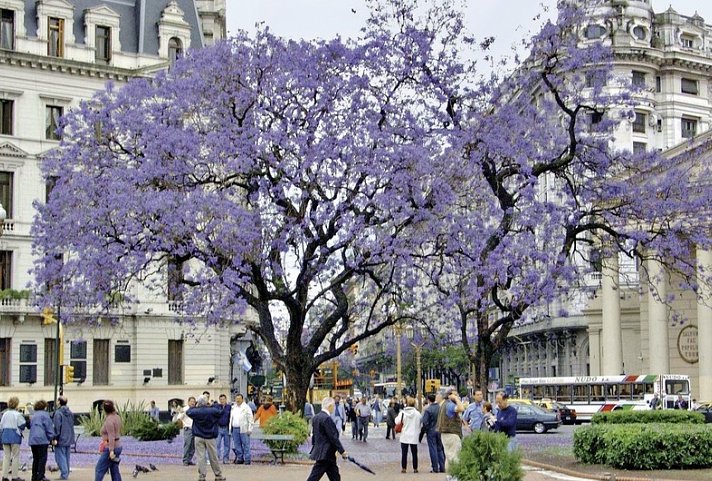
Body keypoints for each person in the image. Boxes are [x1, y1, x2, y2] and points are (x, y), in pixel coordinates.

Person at [306, 397, 348, 481]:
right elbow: (333, 437)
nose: (334, 408)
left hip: (325, 453)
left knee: (335, 477)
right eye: (333, 406)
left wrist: (314, 447)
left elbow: (315, 435)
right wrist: (342, 451)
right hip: (326, 453)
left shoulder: (316, 417)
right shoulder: (327, 419)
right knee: (314, 477)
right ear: (330, 406)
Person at [186, 395, 226, 481]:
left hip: (198, 436)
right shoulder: (212, 411)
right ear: (206, 402)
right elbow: (221, 412)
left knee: (201, 457)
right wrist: (213, 405)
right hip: (210, 436)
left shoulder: (195, 411)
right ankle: (218, 475)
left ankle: (202, 476)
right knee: (213, 457)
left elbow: (188, 412)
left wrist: (195, 406)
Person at [436, 389, 464, 472]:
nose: (457, 396)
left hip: (445, 434)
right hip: (452, 433)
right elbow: (461, 408)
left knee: (448, 457)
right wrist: (456, 399)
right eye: (455, 395)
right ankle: (454, 476)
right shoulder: (450, 405)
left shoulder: (444, 404)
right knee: (455, 457)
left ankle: (449, 476)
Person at [1, 396, 27, 481]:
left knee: (6, 456)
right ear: (16, 404)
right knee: (15, 456)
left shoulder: (4, 414)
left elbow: (1, 425)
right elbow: (22, 425)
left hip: (5, 436)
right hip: (15, 436)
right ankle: (14, 476)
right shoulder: (18, 414)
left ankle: (4, 476)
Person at [95, 400, 122, 481]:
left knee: (99, 469)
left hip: (111, 447)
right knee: (114, 470)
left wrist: (111, 450)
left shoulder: (109, 420)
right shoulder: (117, 417)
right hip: (118, 445)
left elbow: (111, 436)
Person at [29, 399, 55, 481]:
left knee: (35, 459)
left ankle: (34, 476)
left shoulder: (33, 415)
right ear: (44, 407)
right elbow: (48, 427)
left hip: (33, 440)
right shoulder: (45, 415)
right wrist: (52, 438)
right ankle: (41, 476)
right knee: (42, 458)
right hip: (42, 439)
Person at [395, 397, 422, 473]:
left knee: (404, 453)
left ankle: (404, 468)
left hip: (405, 435)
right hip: (414, 435)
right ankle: (415, 468)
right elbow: (421, 423)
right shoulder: (417, 414)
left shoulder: (402, 413)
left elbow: (397, 422)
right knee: (414, 453)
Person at [421, 394, 445, 473]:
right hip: (439, 430)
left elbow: (425, 422)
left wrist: (426, 429)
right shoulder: (440, 408)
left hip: (431, 430)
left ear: (428, 400)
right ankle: (442, 467)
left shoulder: (428, 410)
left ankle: (435, 467)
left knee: (432, 449)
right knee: (440, 448)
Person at [53, 396, 75, 480]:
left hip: (61, 438)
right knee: (66, 457)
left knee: (60, 457)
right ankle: (66, 473)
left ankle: (64, 474)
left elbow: (57, 427)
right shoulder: (70, 413)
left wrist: (55, 438)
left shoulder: (58, 413)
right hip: (69, 437)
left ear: (59, 402)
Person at [229, 393, 253, 465]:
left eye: (239, 399)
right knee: (237, 445)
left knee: (246, 444)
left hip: (244, 429)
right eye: (237, 399)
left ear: (242, 399)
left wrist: (250, 429)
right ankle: (240, 458)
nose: (238, 400)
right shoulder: (233, 407)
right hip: (235, 428)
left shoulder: (246, 407)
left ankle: (247, 459)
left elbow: (250, 419)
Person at [173, 397, 196, 465]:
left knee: (193, 446)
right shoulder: (185, 409)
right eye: (191, 401)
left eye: (194, 402)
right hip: (188, 429)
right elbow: (179, 418)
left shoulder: (195, 409)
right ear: (188, 402)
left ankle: (189, 459)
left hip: (195, 429)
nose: (192, 403)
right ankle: (185, 460)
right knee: (187, 445)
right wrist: (181, 425)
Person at [215, 394, 231, 464]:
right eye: (221, 399)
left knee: (227, 444)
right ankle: (217, 458)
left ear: (226, 399)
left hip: (226, 428)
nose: (222, 401)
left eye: (223, 399)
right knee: (217, 444)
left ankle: (226, 459)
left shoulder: (229, 407)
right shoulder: (217, 407)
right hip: (219, 427)